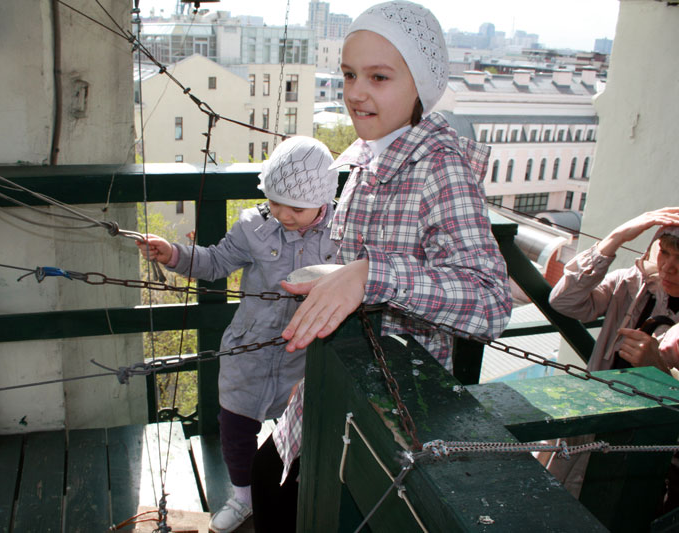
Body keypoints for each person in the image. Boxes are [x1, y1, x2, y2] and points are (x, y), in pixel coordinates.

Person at [250, 3, 513, 531]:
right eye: (349, 74)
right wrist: (342, 281)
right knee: (270, 479)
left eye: (379, 77)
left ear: (421, 84)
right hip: (342, 382)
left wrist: (372, 275)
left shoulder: (440, 168)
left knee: (296, 499)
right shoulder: (371, 156)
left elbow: (491, 301)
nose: (355, 92)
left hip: (393, 411)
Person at [137, 136, 339, 533]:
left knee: (301, 432)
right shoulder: (254, 227)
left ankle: (294, 497)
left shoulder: (345, 233)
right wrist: (174, 254)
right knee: (235, 427)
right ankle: (243, 497)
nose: (283, 214)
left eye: (296, 208)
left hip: (306, 355)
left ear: (323, 201)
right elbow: (215, 262)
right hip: (250, 348)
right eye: (275, 202)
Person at [545, 207, 679, 499]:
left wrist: (658, 370)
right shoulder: (634, 285)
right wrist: (615, 239)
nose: (669, 268)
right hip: (596, 423)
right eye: (665, 253)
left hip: (648, 455)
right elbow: (564, 301)